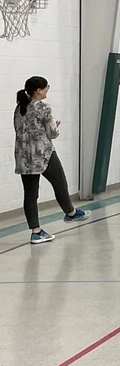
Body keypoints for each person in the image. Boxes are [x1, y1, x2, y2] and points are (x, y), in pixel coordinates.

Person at [14, 77, 87, 245]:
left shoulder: (19, 108)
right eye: (46, 87)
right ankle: (70, 213)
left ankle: (36, 232)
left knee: (30, 194)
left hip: (23, 156)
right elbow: (52, 133)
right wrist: (55, 127)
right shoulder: (44, 107)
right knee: (60, 182)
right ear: (38, 90)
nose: (47, 89)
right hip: (43, 153)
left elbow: (19, 129)